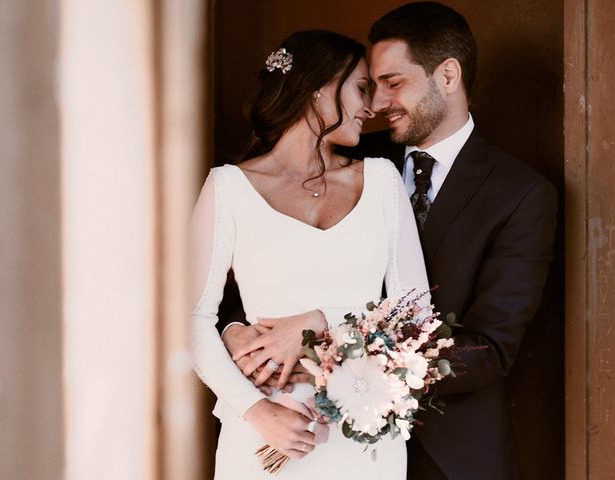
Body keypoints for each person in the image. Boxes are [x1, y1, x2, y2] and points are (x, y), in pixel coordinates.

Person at [220, 3, 558, 479]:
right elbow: (256, 266)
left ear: (447, 75)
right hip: (316, 440)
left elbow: (490, 349)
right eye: (370, 86)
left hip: (450, 454)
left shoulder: (521, 194)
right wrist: (237, 332)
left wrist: (327, 349)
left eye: (393, 83)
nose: (376, 104)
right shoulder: (353, 162)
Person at [189, 29, 429, 479]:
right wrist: (256, 411)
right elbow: (190, 317)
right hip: (265, 437)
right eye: (361, 87)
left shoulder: (381, 182)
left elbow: (414, 310)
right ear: (319, 88)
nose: (373, 106)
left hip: (364, 434)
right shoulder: (228, 189)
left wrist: (322, 319)